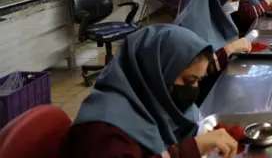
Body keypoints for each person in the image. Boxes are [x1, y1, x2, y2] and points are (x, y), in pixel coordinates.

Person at [67, 24, 239, 158]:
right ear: (157, 73)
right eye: (189, 80)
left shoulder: (147, 103)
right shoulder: (103, 133)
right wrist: (188, 151)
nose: (194, 89)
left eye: (197, 80)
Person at [175, 0, 252, 103]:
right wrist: (230, 49)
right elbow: (193, 71)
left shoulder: (218, 14)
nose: (235, 6)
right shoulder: (191, 23)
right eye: (234, 0)